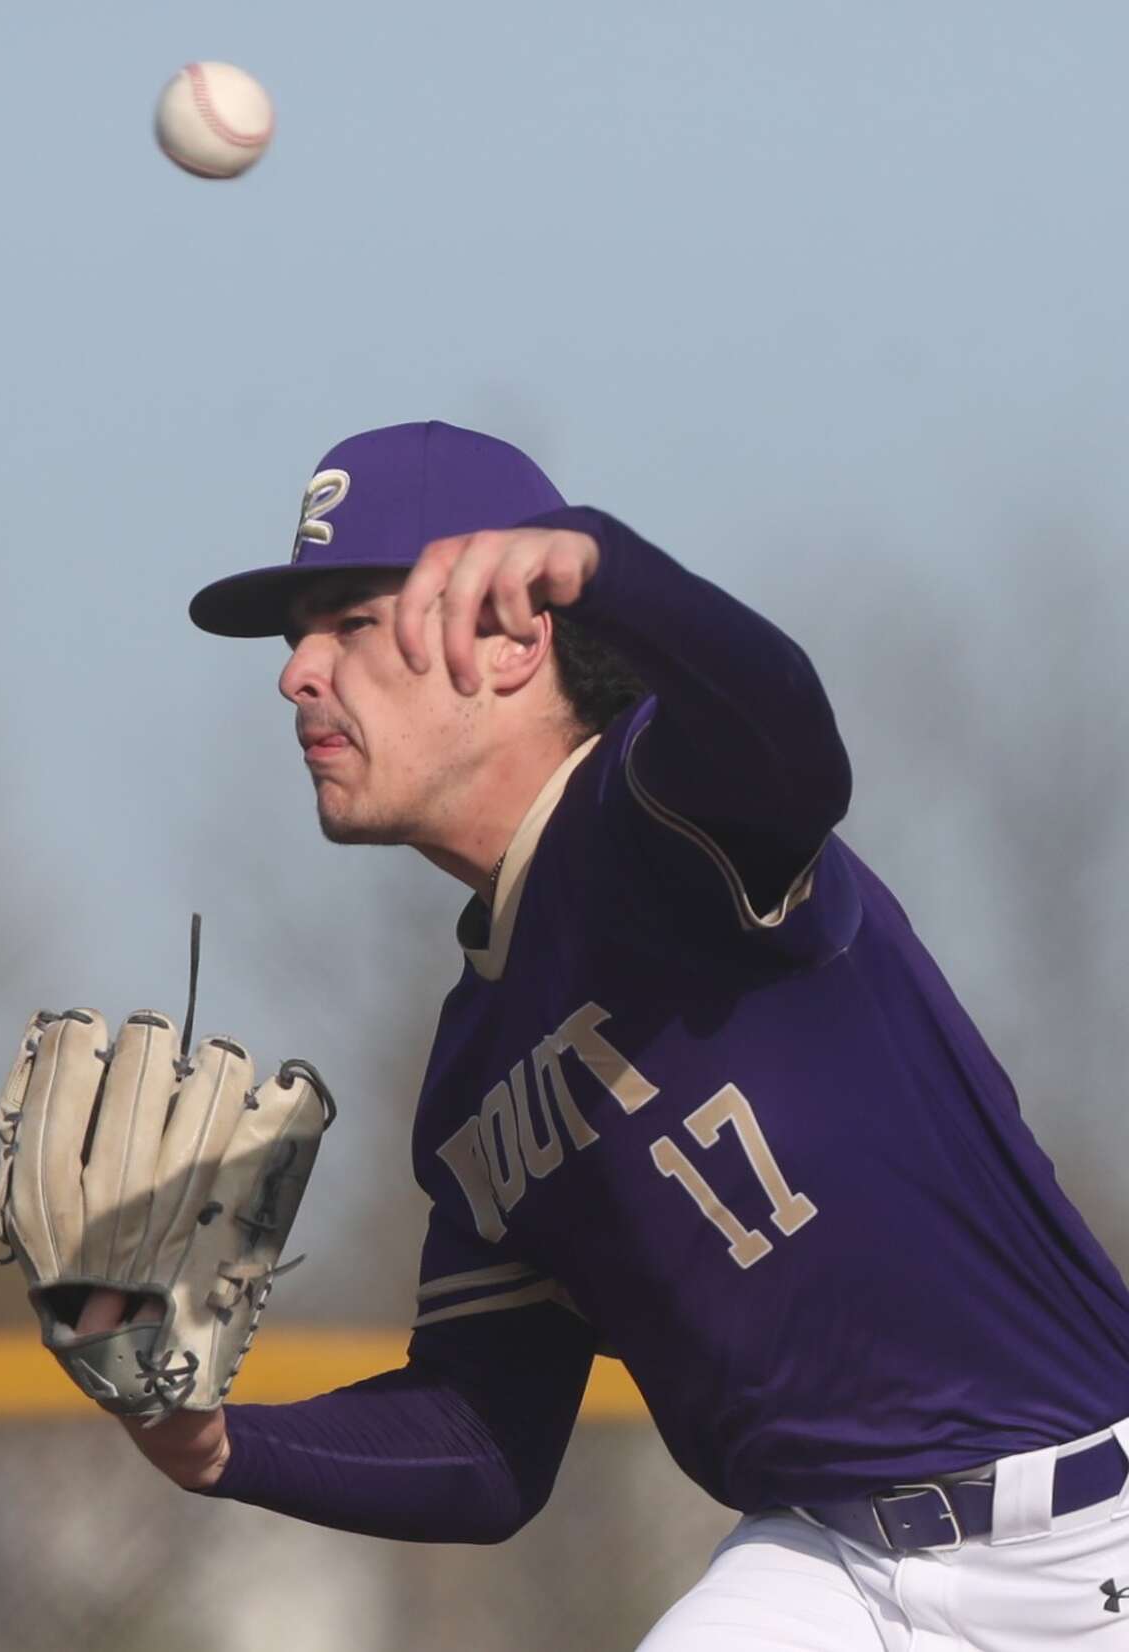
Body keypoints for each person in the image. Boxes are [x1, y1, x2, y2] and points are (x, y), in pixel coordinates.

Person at [124, 419, 1129, 1648]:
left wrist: (605, 565)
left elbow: (790, 742)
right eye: (294, 640)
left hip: (1086, 1534)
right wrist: (218, 1446)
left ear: (514, 635)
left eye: (348, 622)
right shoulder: (469, 1072)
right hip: (824, 1562)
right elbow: (482, 1436)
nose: (298, 673)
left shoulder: (658, 809)